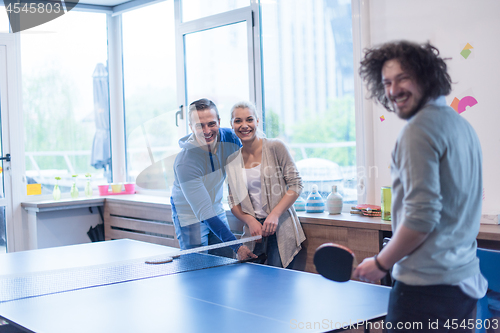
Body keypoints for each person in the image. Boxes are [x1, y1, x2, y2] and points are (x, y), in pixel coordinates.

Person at [352, 41, 486, 332]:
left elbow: (421, 219)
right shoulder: (461, 125)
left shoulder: (418, 131)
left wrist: (380, 263)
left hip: (426, 289)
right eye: (387, 82)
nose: (393, 90)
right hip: (462, 284)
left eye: (403, 78)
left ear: (427, 76)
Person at [170, 98, 255, 260]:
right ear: (191, 127)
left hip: (215, 208)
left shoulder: (230, 138)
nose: (206, 130)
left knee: (224, 262)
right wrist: (237, 246)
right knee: (197, 265)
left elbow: (244, 171)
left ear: (219, 121)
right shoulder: (185, 163)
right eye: (199, 125)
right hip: (189, 215)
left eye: (211, 124)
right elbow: (203, 211)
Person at [225, 101, 305, 268]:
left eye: (249, 119)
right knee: (256, 288)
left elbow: (296, 184)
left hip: (281, 229)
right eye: (238, 121)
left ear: (257, 121)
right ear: (231, 124)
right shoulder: (231, 161)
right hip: (254, 234)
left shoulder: (276, 147)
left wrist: (275, 214)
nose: (244, 125)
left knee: (280, 287)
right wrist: (249, 220)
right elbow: (233, 202)